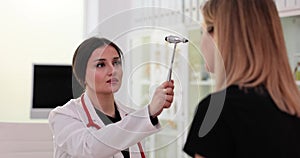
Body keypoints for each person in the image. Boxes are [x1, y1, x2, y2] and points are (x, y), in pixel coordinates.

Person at [183, 0, 300, 157]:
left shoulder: (215, 113)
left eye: (204, 29)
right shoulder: (293, 109)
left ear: (220, 35)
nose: (201, 42)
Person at [48, 37, 175, 158]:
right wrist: (148, 112)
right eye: (100, 65)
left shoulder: (129, 115)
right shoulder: (63, 116)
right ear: (81, 74)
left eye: (116, 62)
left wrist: (147, 115)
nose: (112, 70)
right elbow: (90, 148)